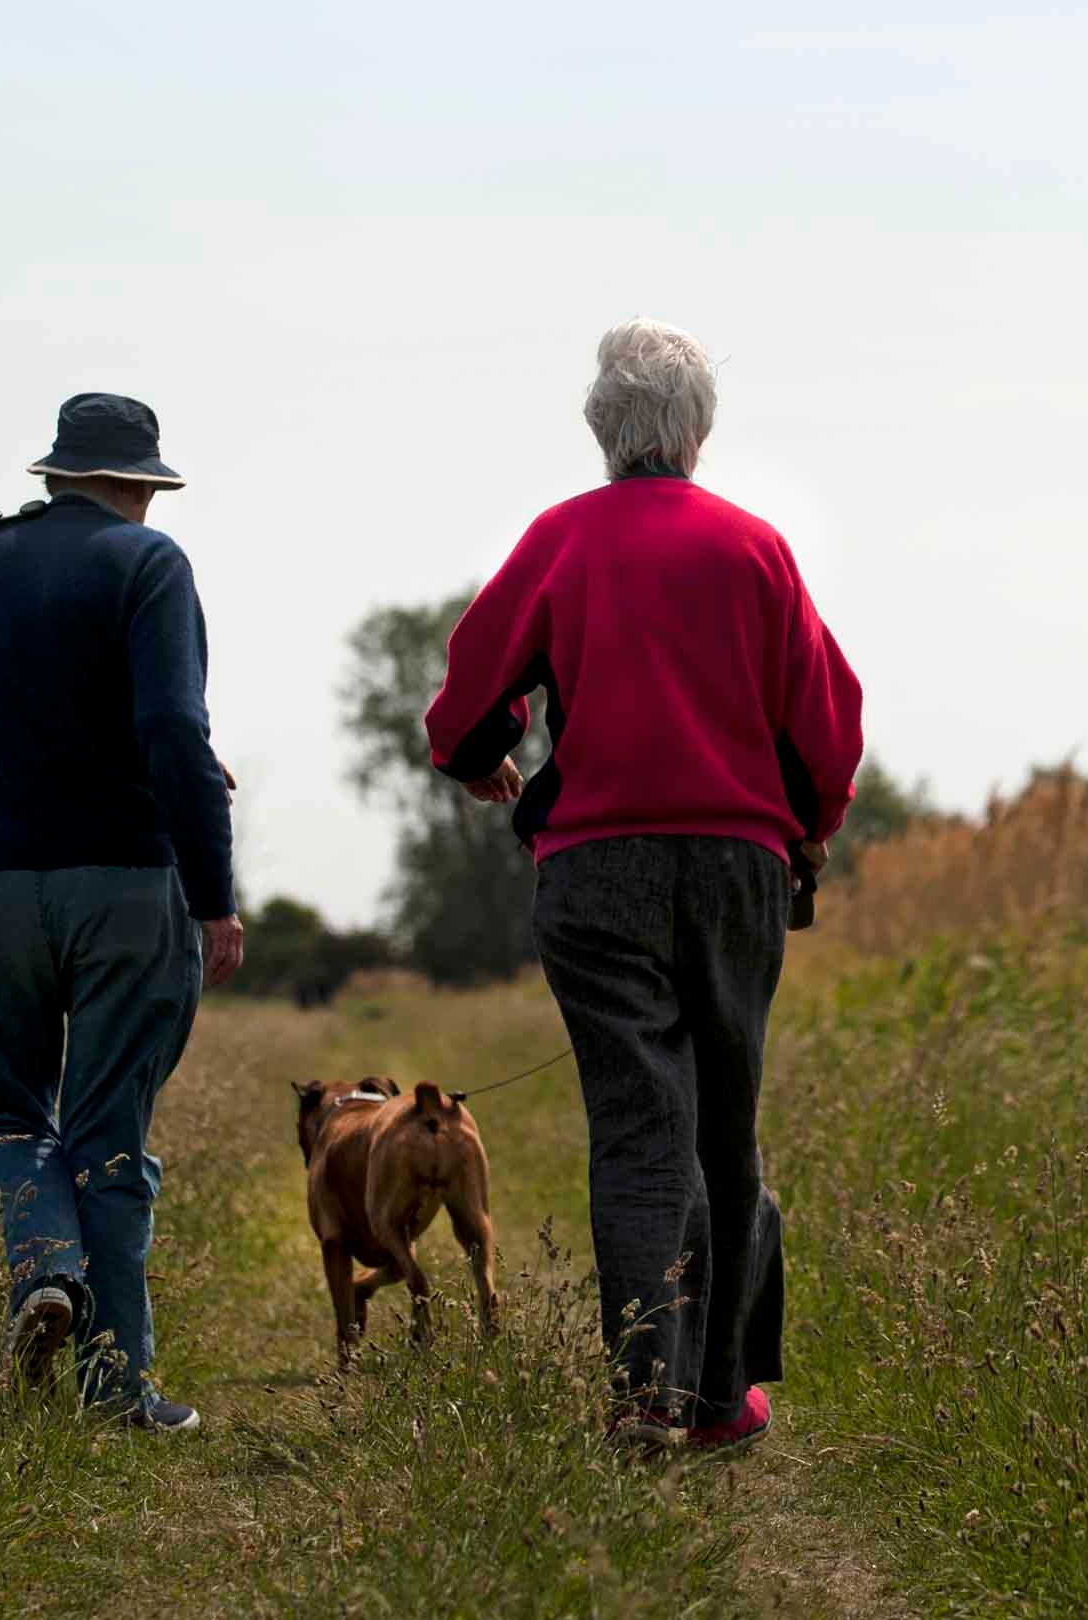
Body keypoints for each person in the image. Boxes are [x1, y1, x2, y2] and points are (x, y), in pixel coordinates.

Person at [423, 319, 864, 1452]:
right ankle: (721, 1402)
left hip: (597, 868)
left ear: (601, 431)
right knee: (726, 1121)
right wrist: (808, 831)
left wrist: (489, 765)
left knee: (637, 1126)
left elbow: (463, 711)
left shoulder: (561, 541)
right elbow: (827, 725)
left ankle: (643, 1398)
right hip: (738, 868)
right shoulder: (754, 549)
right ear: (698, 429)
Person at [0, 392, 246, 1432]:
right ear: (141, 486)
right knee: (108, 1134)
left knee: (12, 1111)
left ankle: (43, 1264)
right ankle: (118, 1390)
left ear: (55, 473)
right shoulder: (147, 564)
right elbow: (169, 727)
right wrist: (213, 898)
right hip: (124, 881)